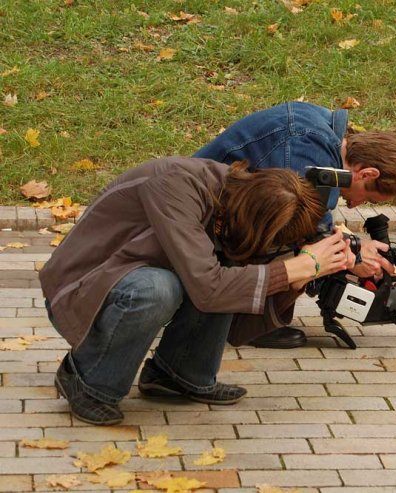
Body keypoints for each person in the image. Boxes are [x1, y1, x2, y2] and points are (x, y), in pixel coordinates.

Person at [39, 157, 352, 425]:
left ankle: (178, 375)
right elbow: (208, 288)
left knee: (225, 275)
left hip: (131, 278)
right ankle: (87, 382)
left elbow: (241, 318)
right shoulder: (176, 184)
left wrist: (295, 281)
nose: (274, 251)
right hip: (83, 286)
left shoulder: (239, 206)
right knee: (159, 290)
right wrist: (291, 269)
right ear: (258, 221)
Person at [194, 101, 396, 348]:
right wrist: (353, 255)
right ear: (367, 174)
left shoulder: (321, 134)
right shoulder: (309, 146)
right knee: (295, 238)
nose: (354, 205)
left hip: (214, 216)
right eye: (367, 197)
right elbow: (303, 225)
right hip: (203, 226)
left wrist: (351, 249)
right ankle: (253, 322)